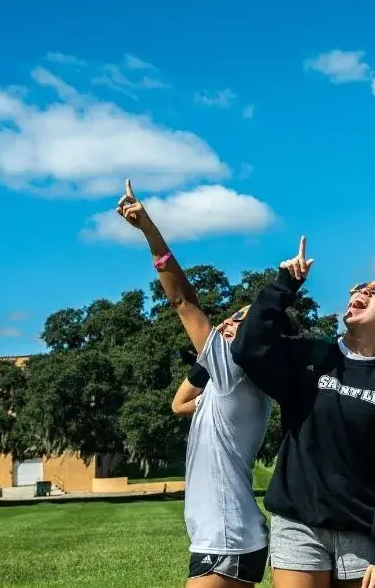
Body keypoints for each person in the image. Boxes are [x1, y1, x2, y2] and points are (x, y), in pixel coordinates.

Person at [230, 235, 375, 588]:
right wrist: (284, 286)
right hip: (298, 523)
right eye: (358, 287)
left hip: (362, 532)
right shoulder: (310, 356)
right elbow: (248, 348)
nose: (360, 291)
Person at [116, 180, 272, 588]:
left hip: (226, 537)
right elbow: (180, 404)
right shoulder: (234, 382)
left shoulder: (236, 372)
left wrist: (149, 230)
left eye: (240, 320)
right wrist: (205, 369)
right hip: (228, 534)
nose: (228, 322)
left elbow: (183, 302)